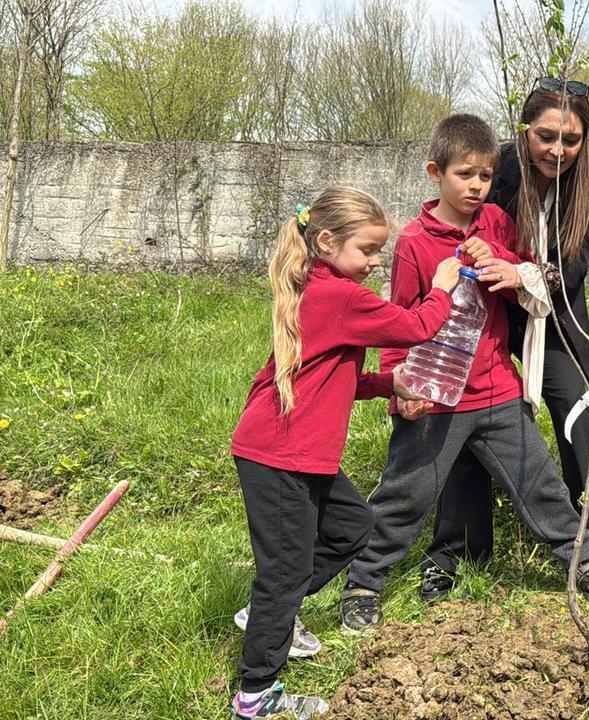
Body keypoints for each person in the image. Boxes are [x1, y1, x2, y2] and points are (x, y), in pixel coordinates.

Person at [339, 114, 589, 635]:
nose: (475, 187)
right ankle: (363, 582)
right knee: (406, 494)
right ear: (435, 172)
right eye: (464, 175)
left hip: (496, 390)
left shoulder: (496, 223)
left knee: (539, 484)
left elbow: (528, 280)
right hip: (435, 397)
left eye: (486, 177)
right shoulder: (413, 243)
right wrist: (399, 387)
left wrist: (501, 263)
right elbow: (393, 320)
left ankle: (583, 563)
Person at [228, 187, 461, 719]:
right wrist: (441, 287)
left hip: (294, 451)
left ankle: (272, 615)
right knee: (283, 574)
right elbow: (417, 326)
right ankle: (255, 696)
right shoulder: (342, 296)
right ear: (328, 242)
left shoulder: (325, 289)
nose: (377, 260)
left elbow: (337, 379)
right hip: (280, 453)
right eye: (369, 249)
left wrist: (390, 384)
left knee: (353, 527)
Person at [423, 77, 589, 596]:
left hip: (552, 309)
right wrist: (494, 269)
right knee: (467, 408)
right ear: (524, 131)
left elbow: (574, 266)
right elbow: (464, 222)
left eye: (572, 139)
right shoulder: (504, 168)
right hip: (490, 306)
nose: (558, 150)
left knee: (577, 406)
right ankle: (459, 548)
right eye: (546, 136)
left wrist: (526, 277)